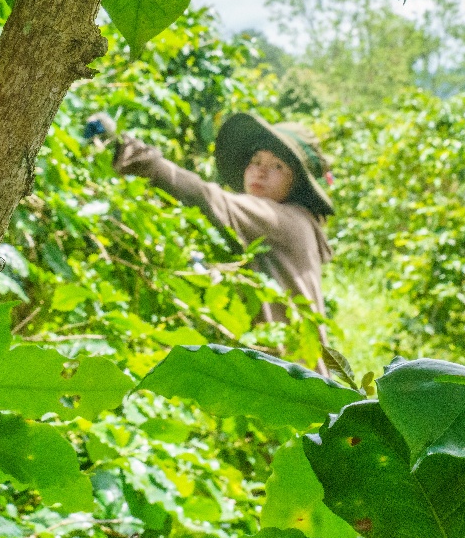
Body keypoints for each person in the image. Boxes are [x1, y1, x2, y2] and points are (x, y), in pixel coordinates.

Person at [94, 111, 335, 360]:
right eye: (256, 160)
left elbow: (206, 198)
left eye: (277, 166)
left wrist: (129, 151)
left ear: (297, 183)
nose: (260, 172)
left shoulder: (283, 220)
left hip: (291, 381)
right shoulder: (268, 229)